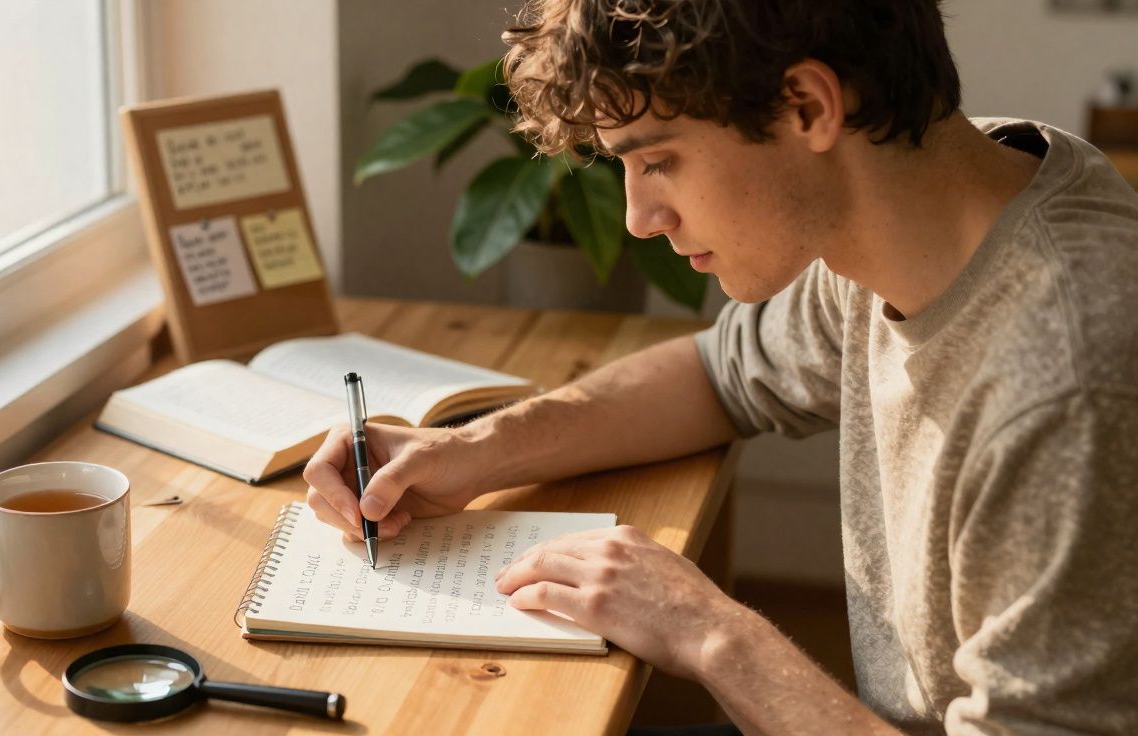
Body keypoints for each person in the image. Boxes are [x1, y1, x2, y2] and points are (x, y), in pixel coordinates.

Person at [305, 0, 1138, 732]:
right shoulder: (926, 206)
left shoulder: (1068, 384)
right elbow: (720, 375)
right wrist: (475, 449)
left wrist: (709, 631)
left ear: (807, 106)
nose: (636, 217)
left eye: (657, 159)